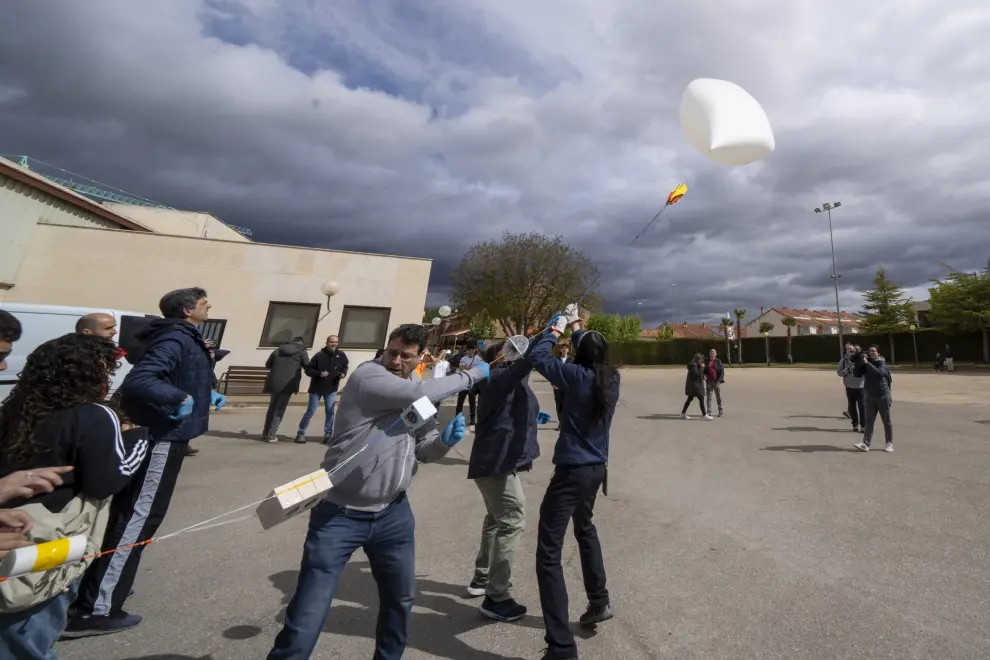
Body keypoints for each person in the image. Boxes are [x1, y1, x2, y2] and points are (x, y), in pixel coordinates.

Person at [268, 323, 489, 660]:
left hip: (393, 517)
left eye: (407, 356)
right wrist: (473, 375)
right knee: (309, 611)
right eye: (393, 352)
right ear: (386, 349)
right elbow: (422, 395)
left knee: (399, 601)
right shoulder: (368, 377)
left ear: (419, 359)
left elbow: (424, 449)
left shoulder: (414, 387)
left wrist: (444, 442)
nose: (397, 360)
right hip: (338, 516)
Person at [67, 287, 226, 638]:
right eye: (204, 304)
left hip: (171, 436)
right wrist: (178, 398)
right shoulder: (174, 338)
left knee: (137, 518)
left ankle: (104, 586)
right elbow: (141, 380)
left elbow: (179, 375)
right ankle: (95, 608)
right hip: (162, 440)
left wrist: (203, 393)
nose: (209, 307)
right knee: (138, 520)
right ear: (187, 310)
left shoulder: (183, 336)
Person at [0, 334, 149, 658]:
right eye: (106, 372)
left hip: (7, 523)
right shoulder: (94, 414)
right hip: (48, 539)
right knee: (32, 633)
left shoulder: (14, 407)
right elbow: (105, 482)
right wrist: (139, 436)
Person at [526, 305, 618, 660]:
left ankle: (561, 646)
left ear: (580, 354)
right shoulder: (609, 377)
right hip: (596, 469)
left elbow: (536, 355)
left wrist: (556, 328)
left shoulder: (574, 376)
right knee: (586, 529)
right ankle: (599, 600)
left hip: (571, 473)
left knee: (548, 554)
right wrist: (578, 326)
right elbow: (591, 351)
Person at [466, 341, 540, 622]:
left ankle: (481, 578)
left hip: (495, 461)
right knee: (512, 517)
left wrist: (532, 417)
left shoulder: (505, 380)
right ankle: (497, 597)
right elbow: (526, 362)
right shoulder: (498, 377)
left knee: (496, 519)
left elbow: (516, 401)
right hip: (495, 463)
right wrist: (555, 331)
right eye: (509, 350)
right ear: (499, 359)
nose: (515, 351)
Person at [294, 335, 348, 445]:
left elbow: (345, 366)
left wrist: (343, 374)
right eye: (331, 342)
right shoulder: (319, 355)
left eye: (336, 342)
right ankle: (300, 433)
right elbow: (308, 370)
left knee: (330, 412)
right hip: (316, 389)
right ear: (327, 343)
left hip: (331, 389)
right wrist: (319, 373)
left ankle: (328, 435)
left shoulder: (341, 355)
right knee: (311, 411)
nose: (334, 344)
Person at [261, 336, 309, 443]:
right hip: (288, 384)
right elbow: (307, 366)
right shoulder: (302, 352)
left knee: (272, 407)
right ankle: (272, 435)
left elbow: (267, 365)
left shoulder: (278, 350)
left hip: (274, 382)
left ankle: (265, 433)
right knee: (280, 409)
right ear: (301, 343)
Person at [853, 345, 893, 453]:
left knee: (886, 421)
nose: (871, 352)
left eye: (873, 351)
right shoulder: (867, 362)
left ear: (878, 353)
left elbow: (879, 374)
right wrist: (858, 362)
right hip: (870, 396)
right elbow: (857, 374)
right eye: (869, 351)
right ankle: (865, 444)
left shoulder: (882, 362)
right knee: (869, 421)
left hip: (883, 395)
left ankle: (889, 443)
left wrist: (867, 363)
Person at [837, 344, 865, 432]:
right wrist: (846, 371)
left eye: (851, 349)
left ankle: (863, 426)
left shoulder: (860, 359)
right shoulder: (843, 360)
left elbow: (866, 371)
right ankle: (855, 425)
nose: (849, 351)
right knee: (852, 407)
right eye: (847, 349)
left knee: (862, 407)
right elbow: (839, 373)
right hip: (849, 387)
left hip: (860, 387)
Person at [456, 341, 483, 425]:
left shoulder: (478, 359)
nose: (470, 351)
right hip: (464, 383)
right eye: (469, 350)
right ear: (467, 350)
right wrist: (471, 368)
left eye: (472, 349)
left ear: (475, 350)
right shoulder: (464, 358)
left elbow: (479, 369)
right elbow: (461, 367)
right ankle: (457, 418)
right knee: (460, 401)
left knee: (472, 402)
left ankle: (472, 419)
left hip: (473, 383)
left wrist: (468, 367)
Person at [681, 354, 710, 420]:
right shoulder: (693, 365)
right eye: (700, 360)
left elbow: (699, 375)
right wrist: (702, 368)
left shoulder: (695, 365)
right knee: (701, 398)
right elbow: (696, 375)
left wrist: (703, 376)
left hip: (694, 386)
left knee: (689, 400)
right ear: (697, 359)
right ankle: (704, 415)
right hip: (695, 386)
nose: (702, 361)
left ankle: (683, 413)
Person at [552, 342, 571, 430]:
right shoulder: (555, 360)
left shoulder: (571, 360)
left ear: (568, 350)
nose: (564, 350)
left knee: (568, 404)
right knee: (559, 405)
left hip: (569, 386)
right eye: (562, 348)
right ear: (560, 350)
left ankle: (568, 423)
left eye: (565, 348)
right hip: (558, 386)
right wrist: (553, 383)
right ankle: (561, 423)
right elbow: (552, 372)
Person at [704, 348, 725, 418]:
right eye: (711, 352)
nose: (712, 353)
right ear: (710, 353)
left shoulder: (718, 361)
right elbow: (704, 371)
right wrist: (704, 376)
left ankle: (720, 411)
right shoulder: (707, 361)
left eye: (713, 352)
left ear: (716, 354)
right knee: (709, 397)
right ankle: (709, 412)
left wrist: (719, 381)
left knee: (718, 397)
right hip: (709, 382)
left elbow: (722, 372)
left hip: (716, 382)